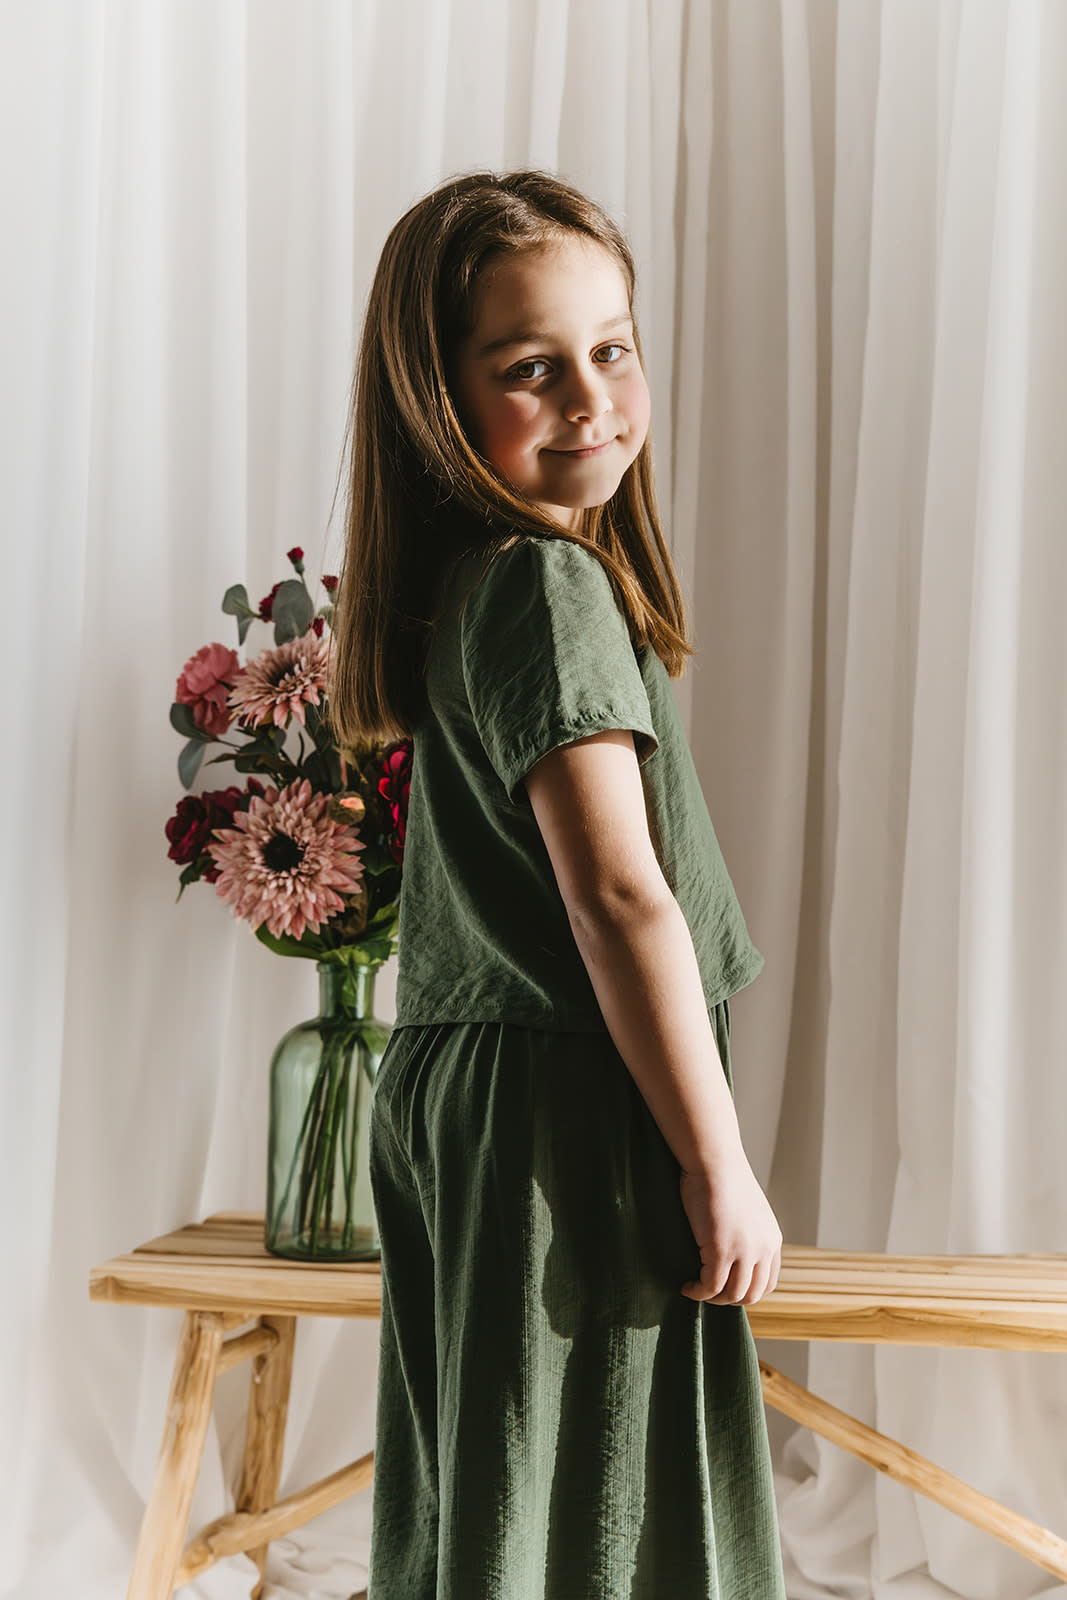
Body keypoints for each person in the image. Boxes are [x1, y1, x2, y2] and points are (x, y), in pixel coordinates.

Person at [330, 170, 786, 1600]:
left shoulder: (473, 582)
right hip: (565, 1106)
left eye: (614, 348)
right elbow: (619, 898)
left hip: (470, 1084)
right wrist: (717, 1163)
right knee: (598, 1512)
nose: (592, 399)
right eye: (531, 368)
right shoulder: (541, 585)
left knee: (502, 1495)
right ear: (437, 400)